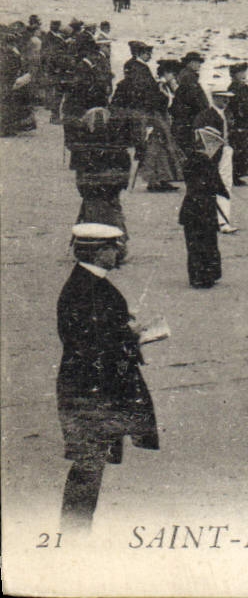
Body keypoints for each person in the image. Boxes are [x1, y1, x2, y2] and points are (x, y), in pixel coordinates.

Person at [56, 224, 160, 531]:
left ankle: (74, 531)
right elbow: (92, 344)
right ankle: (73, 536)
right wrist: (131, 338)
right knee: (89, 465)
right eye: (113, 247)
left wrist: (123, 333)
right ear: (98, 252)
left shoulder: (86, 283)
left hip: (89, 386)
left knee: (90, 463)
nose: (119, 252)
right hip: (92, 390)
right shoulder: (90, 289)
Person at [65, 106, 132, 240]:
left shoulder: (83, 145)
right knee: (111, 209)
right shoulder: (116, 144)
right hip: (108, 189)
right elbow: (124, 168)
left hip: (93, 190)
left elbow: (79, 171)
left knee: (93, 210)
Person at [179, 126, 229, 288]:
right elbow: (215, 184)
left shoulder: (189, 160)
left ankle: (196, 276)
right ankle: (207, 275)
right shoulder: (207, 162)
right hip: (205, 207)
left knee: (194, 244)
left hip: (190, 206)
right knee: (207, 242)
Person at [134, 59, 186, 192]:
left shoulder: (166, 86)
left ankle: (162, 179)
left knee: (162, 150)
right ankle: (154, 181)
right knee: (156, 150)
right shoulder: (159, 86)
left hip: (163, 118)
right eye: (172, 74)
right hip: (156, 119)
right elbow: (153, 104)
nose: (174, 77)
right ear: (166, 73)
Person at [202, 89, 238, 234]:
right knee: (218, 185)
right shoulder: (206, 115)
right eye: (222, 97)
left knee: (225, 184)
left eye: (227, 98)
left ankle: (222, 220)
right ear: (214, 98)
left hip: (226, 152)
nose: (226, 101)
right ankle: (221, 221)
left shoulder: (227, 114)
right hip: (213, 155)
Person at [167, 51, 209, 152]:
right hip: (188, 119)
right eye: (197, 62)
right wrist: (204, 109)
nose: (199, 65)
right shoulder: (189, 77)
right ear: (190, 63)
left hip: (184, 118)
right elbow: (193, 98)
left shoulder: (186, 75)